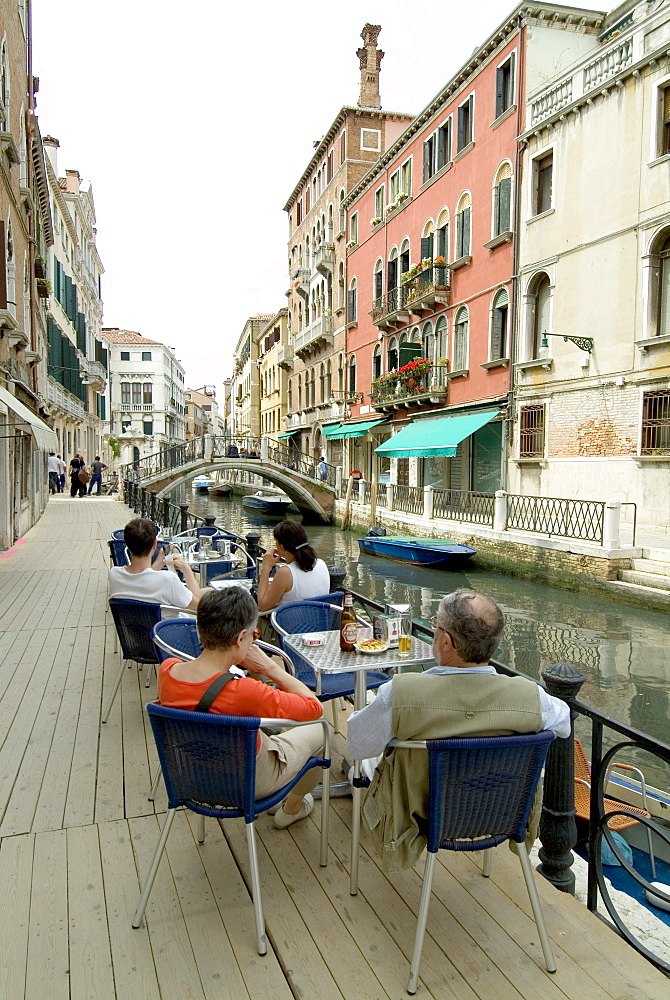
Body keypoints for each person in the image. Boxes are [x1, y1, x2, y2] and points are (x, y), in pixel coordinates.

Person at [346, 589, 571, 872]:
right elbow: (563, 724)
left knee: (369, 759)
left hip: (421, 816)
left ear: (446, 641)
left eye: (436, 625)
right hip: (499, 811)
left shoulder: (399, 694)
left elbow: (356, 746)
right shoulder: (533, 699)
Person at [158, 586, 324, 826]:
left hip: (192, 774)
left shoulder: (168, 670)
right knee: (321, 729)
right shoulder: (243, 691)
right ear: (240, 638)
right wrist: (270, 667)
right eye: (254, 636)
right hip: (246, 782)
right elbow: (313, 708)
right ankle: (292, 808)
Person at [108, 517, 202, 611]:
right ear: (154, 544)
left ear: (126, 544)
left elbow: (143, 581)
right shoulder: (168, 580)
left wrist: (158, 562)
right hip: (171, 625)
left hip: (133, 625)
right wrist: (187, 570)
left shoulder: (114, 574)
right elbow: (198, 607)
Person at [256, 519, 331, 611]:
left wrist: (265, 568)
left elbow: (262, 605)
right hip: (319, 621)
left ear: (282, 547)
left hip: (290, 624)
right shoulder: (321, 564)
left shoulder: (285, 573)